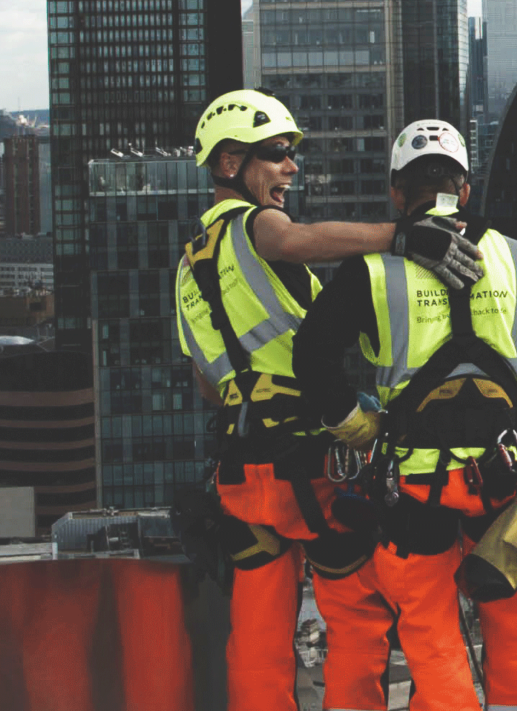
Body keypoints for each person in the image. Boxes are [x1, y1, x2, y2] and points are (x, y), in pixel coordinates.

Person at [176, 90, 484, 711]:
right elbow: (296, 241)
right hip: (312, 471)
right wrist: (401, 238)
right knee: (357, 620)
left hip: (245, 474)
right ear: (231, 163)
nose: (292, 168)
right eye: (280, 155)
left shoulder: (190, 266)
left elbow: (208, 384)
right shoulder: (255, 225)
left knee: (259, 638)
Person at [292, 119, 517, 711]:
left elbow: (312, 354)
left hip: (418, 485)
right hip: (507, 482)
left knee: (431, 631)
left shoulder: (373, 267)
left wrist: (353, 423)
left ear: (398, 194)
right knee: (512, 618)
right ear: (466, 189)